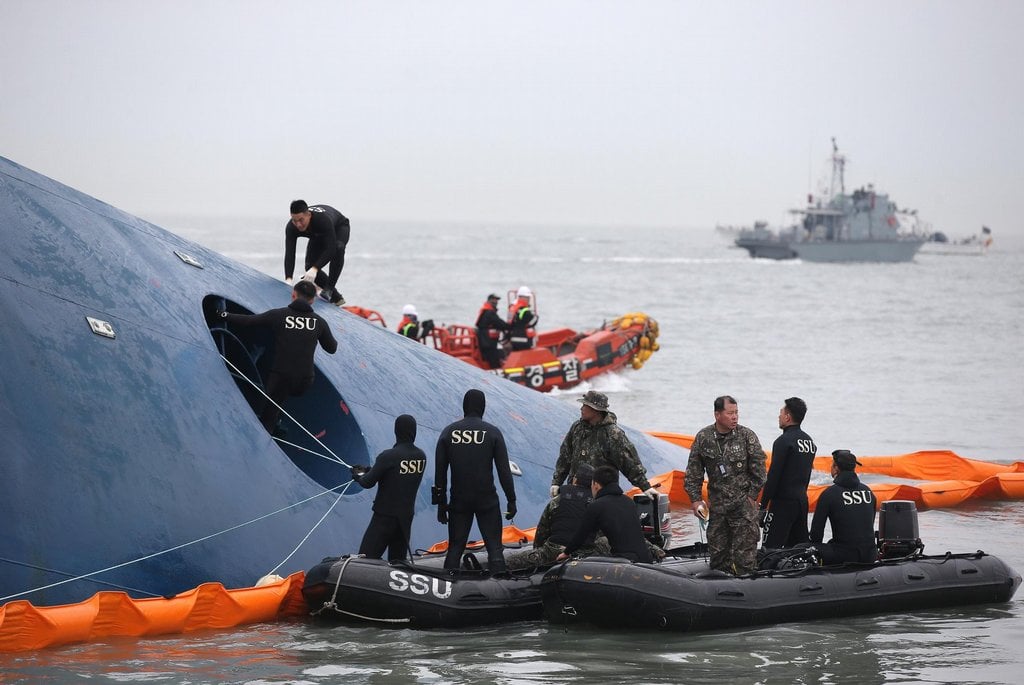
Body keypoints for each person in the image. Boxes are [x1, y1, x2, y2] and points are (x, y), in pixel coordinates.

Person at [218, 281, 338, 433]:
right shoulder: (319, 322)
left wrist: (223, 314)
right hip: (304, 382)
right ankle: (279, 420)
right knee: (284, 390)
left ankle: (271, 426)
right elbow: (332, 348)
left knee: (272, 405)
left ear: (293, 295)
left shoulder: (279, 315)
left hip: (281, 379)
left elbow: (248, 321)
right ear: (313, 300)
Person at [433, 389, 517, 576]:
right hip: (486, 499)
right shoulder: (493, 432)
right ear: (483, 407)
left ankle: (447, 588)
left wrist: (440, 503)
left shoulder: (448, 432)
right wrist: (511, 499)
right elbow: (504, 471)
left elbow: (440, 472)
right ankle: (500, 589)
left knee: (455, 548)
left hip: (459, 500)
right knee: (495, 548)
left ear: (464, 406)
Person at [684, 395, 767, 575]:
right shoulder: (704, 438)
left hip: (742, 508)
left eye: (736, 412)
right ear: (717, 415)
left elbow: (760, 471)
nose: (735, 417)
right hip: (718, 509)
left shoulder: (747, 436)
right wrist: (695, 500)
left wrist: (751, 497)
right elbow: (693, 473)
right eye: (730, 413)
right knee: (718, 557)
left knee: (745, 559)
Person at [550, 390, 659, 500]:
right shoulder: (577, 428)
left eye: (585, 405)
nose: (581, 408)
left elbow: (629, 463)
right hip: (575, 493)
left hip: (601, 496)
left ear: (596, 410)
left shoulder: (613, 434)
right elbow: (565, 456)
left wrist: (645, 487)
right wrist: (557, 482)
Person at [349, 414, 427, 561]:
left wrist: (358, 476)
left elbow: (368, 483)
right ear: (413, 431)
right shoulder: (421, 456)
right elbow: (397, 475)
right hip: (405, 519)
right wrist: (370, 470)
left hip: (384, 519)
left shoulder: (388, 456)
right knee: (397, 562)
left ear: (396, 431)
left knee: (365, 560)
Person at [505, 463, 608, 571]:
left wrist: (538, 551)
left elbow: (542, 532)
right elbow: (602, 534)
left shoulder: (557, 501)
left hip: (553, 552)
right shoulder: (599, 505)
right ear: (593, 484)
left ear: (574, 480)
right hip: (585, 556)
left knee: (511, 561)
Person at [556, 466, 653, 563]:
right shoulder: (629, 502)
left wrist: (566, 553)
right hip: (646, 559)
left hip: (625, 562)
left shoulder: (596, 506)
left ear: (596, 485)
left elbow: (581, 536)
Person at [759, 397, 817, 550]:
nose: (779, 416)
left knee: (769, 548)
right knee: (798, 548)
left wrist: (763, 506)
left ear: (787, 417)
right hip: (801, 501)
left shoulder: (783, 441)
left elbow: (773, 476)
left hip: (782, 503)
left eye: (781, 412)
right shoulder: (809, 442)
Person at [810, 449, 878, 565]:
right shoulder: (868, 491)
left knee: (800, 547)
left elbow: (816, 535)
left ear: (836, 468)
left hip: (845, 555)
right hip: (870, 554)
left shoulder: (829, 494)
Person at [283, 200, 351, 305]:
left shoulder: (322, 220)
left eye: (301, 220)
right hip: (317, 233)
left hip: (339, 227)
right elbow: (290, 253)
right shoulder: (291, 227)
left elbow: (330, 249)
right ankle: (337, 298)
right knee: (309, 267)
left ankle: (329, 289)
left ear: (308, 215)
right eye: (294, 220)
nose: (298, 225)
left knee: (338, 248)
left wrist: (315, 269)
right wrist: (288, 279)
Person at [475, 293, 510, 369]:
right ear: (489, 301)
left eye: (496, 300)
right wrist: (510, 327)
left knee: (497, 354)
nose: (496, 302)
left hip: (485, 341)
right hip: (487, 343)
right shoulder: (489, 313)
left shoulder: (486, 311)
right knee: (494, 361)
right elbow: (499, 323)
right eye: (494, 300)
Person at [507, 286, 539, 351]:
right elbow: (533, 322)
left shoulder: (512, 308)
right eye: (528, 297)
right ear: (523, 297)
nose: (528, 299)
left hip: (513, 339)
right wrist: (536, 317)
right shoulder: (524, 310)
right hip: (524, 340)